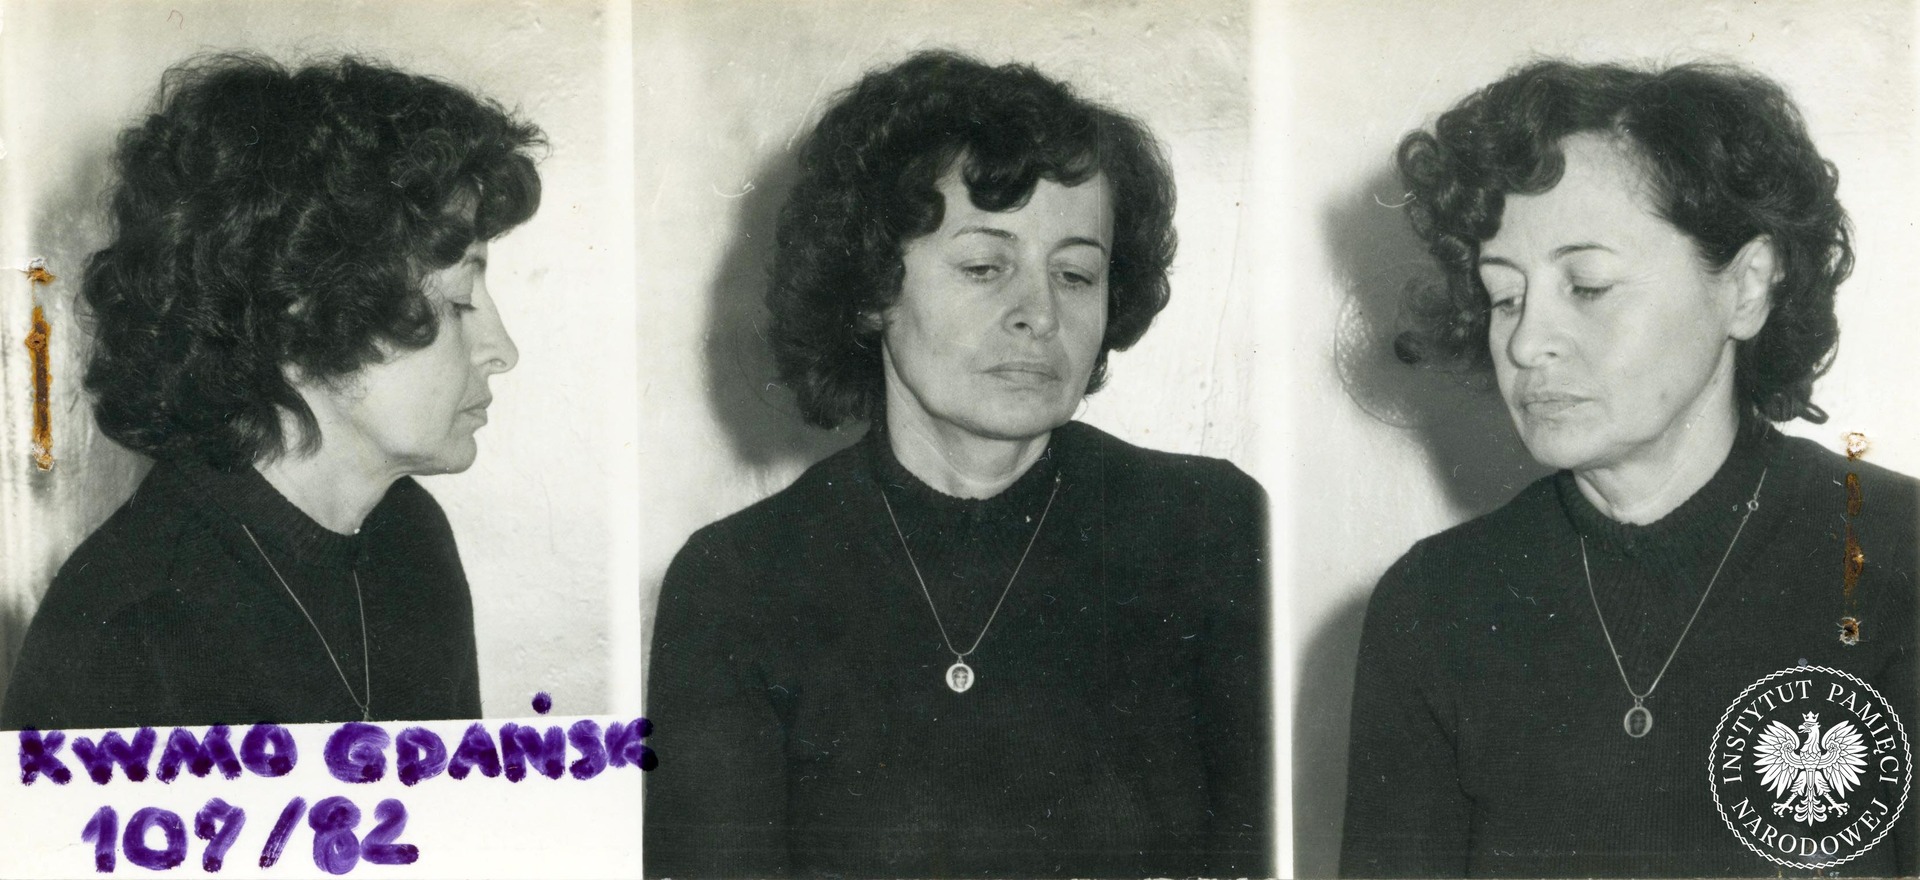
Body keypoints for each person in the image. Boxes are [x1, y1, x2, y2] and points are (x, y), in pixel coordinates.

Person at [644, 50, 1270, 878]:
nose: (1040, 314)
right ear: (872, 290)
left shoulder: (1212, 529)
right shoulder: (739, 582)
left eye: (1075, 273)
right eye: (984, 267)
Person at [1341, 60, 1918, 877]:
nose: (1525, 342)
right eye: (1505, 296)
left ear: (1746, 288)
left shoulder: (1899, 557)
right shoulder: (1432, 604)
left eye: (1587, 285)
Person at [1, 54, 543, 730]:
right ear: (300, 312)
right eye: (459, 301)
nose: (502, 351)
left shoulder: (408, 536)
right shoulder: (133, 631)